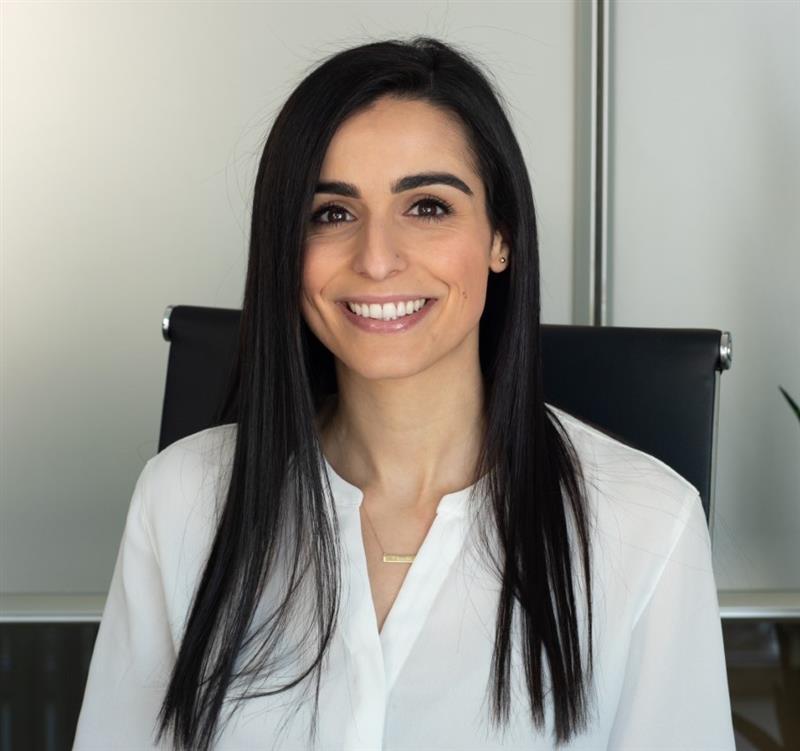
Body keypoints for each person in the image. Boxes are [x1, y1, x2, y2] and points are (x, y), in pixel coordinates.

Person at [73, 36, 735, 751]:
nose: (378, 258)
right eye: (331, 213)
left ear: (500, 237)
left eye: (426, 207)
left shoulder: (645, 528)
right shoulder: (182, 501)